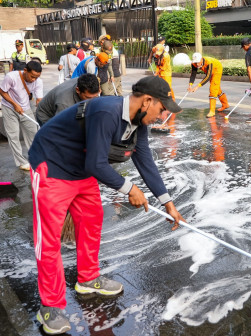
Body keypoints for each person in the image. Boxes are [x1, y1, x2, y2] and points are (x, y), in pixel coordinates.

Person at [29, 76, 185, 335]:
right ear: (147, 101)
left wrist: (167, 202)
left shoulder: (137, 121)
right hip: (52, 167)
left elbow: (143, 158)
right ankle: (51, 306)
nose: (162, 115)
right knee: (48, 240)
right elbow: (97, 165)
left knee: (91, 222)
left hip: (81, 170)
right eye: (161, 108)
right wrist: (130, 189)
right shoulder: (106, 111)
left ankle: (88, 279)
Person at [0, 61, 43, 171]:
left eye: (36, 77)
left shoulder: (38, 82)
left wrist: (39, 105)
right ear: (25, 71)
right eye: (32, 76)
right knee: (13, 135)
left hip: (25, 108)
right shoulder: (11, 77)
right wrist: (14, 104)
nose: (34, 80)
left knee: (33, 132)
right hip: (9, 108)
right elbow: (2, 91)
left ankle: (35, 158)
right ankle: (21, 162)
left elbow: (39, 99)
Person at [188, 53, 229, 118]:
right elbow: (193, 74)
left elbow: (208, 77)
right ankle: (225, 104)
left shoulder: (209, 63)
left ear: (201, 59)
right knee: (216, 88)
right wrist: (190, 85)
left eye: (198, 62)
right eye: (195, 63)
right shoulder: (194, 64)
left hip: (217, 69)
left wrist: (197, 86)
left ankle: (212, 111)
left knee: (213, 89)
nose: (197, 64)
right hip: (209, 71)